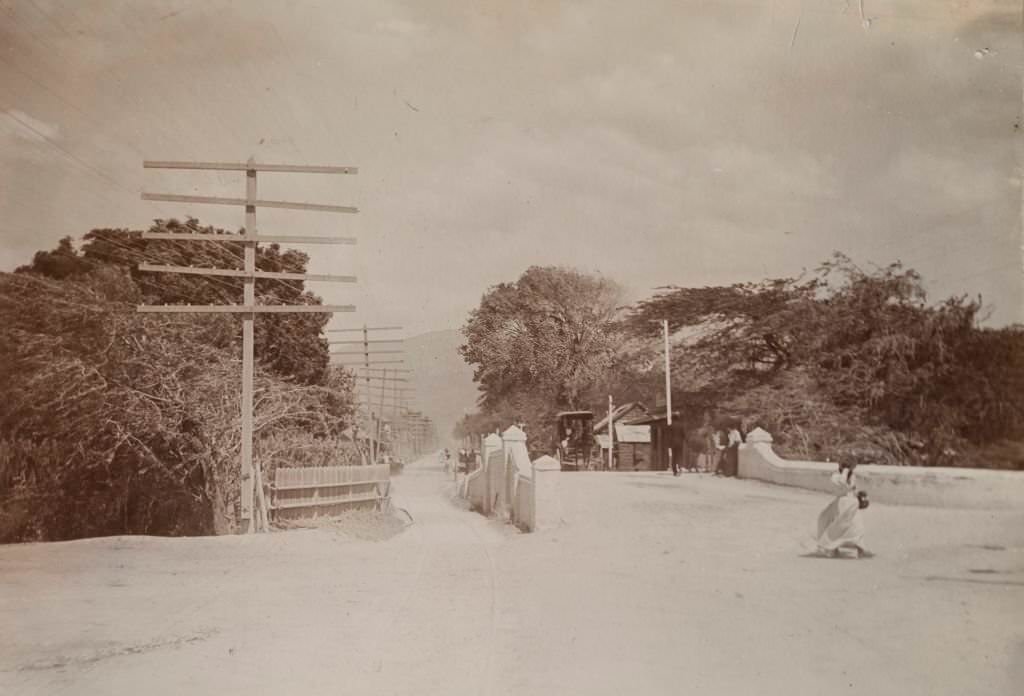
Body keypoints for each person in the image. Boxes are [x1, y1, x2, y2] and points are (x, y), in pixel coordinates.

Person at [816, 463, 872, 558]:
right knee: (838, 527)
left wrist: (859, 495)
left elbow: (852, 489)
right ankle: (831, 547)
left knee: (857, 526)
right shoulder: (836, 477)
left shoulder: (852, 475)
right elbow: (842, 485)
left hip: (853, 504)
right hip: (843, 504)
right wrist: (845, 473)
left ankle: (861, 549)